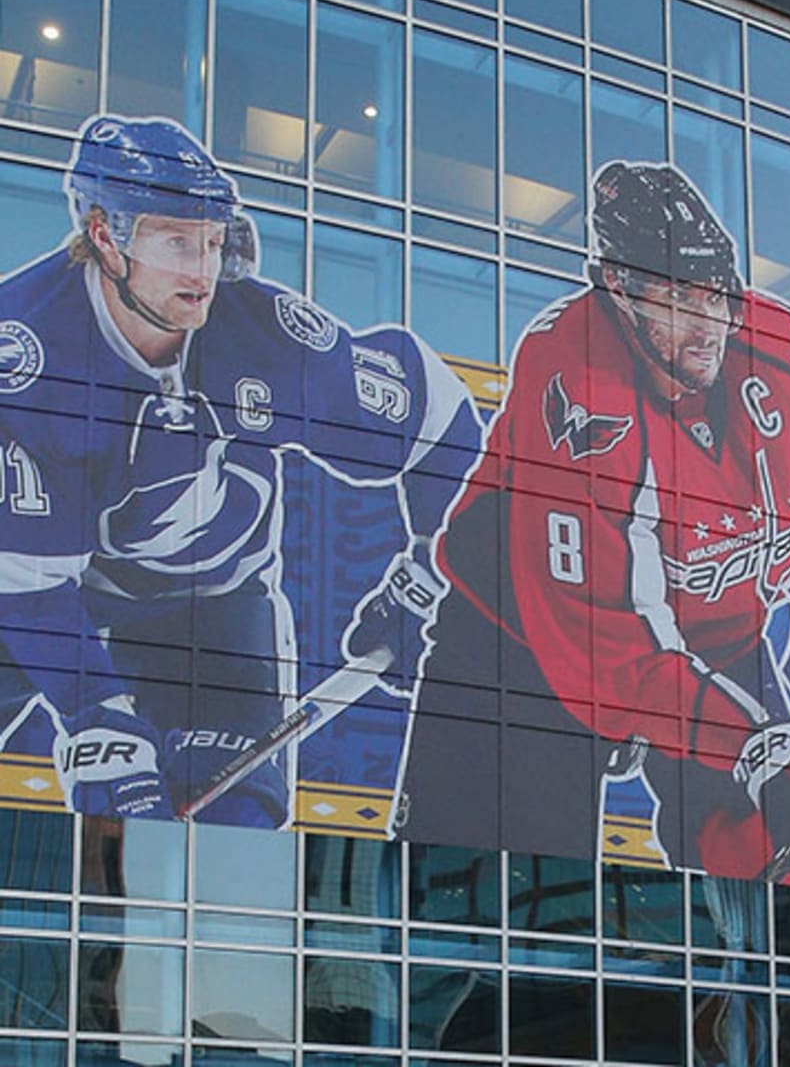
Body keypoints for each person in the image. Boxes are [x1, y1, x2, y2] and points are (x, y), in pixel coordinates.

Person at [0, 114, 480, 827]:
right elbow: (29, 590)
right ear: (105, 235)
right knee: (111, 802)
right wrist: (97, 717)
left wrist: (431, 570)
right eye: (174, 242)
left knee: (233, 833)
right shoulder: (26, 354)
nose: (202, 272)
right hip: (40, 594)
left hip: (213, 604)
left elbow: (438, 424)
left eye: (212, 242)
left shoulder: (267, 334)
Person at [400, 161, 790, 884]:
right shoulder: (581, 380)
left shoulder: (779, 342)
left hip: (715, 637)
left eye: (716, 293)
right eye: (677, 298)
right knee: (496, 897)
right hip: (523, 653)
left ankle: (728, 990)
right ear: (617, 287)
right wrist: (767, 748)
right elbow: (612, 653)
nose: (707, 322)